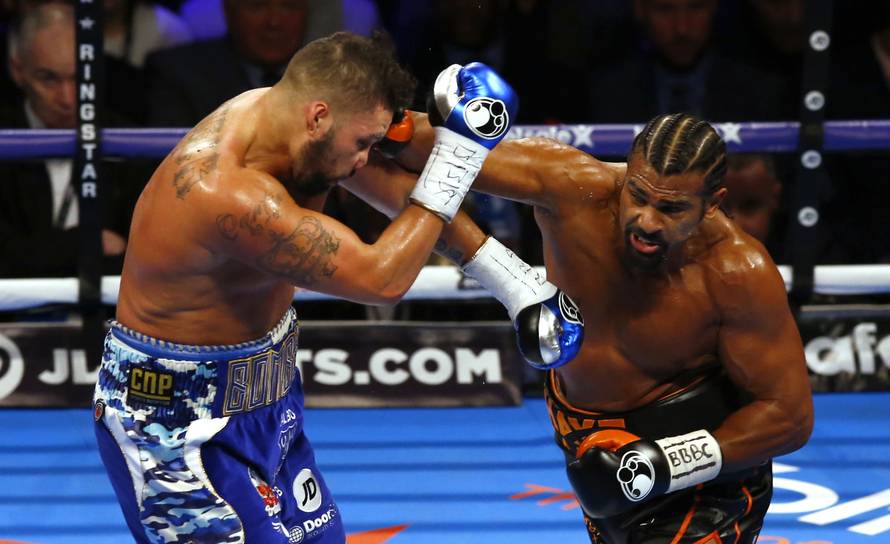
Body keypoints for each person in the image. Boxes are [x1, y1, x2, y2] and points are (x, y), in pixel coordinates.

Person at [92, 34, 532, 542]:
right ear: (318, 117)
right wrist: (458, 155)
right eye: (363, 143)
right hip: (176, 423)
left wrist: (514, 283)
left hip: (268, 398)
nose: (367, 160)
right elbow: (380, 277)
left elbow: (403, 196)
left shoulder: (292, 127)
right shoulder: (225, 191)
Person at [354, 111, 814, 543]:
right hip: (592, 457)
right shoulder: (572, 187)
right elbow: (406, 146)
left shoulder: (736, 272)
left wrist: (664, 464)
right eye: (638, 195)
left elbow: (789, 417)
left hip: (705, 486)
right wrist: (386, 122)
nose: (646, 221)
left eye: (671, 209)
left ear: (712, 205)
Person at [0, 1, 145, 278]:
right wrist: (81, 243)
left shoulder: (126, 142)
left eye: (80, 78)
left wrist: (42, 254)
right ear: (18, 71)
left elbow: (141, 259)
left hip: (108, 314)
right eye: (49, 79)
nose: (67, 98)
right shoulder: (4, 139)